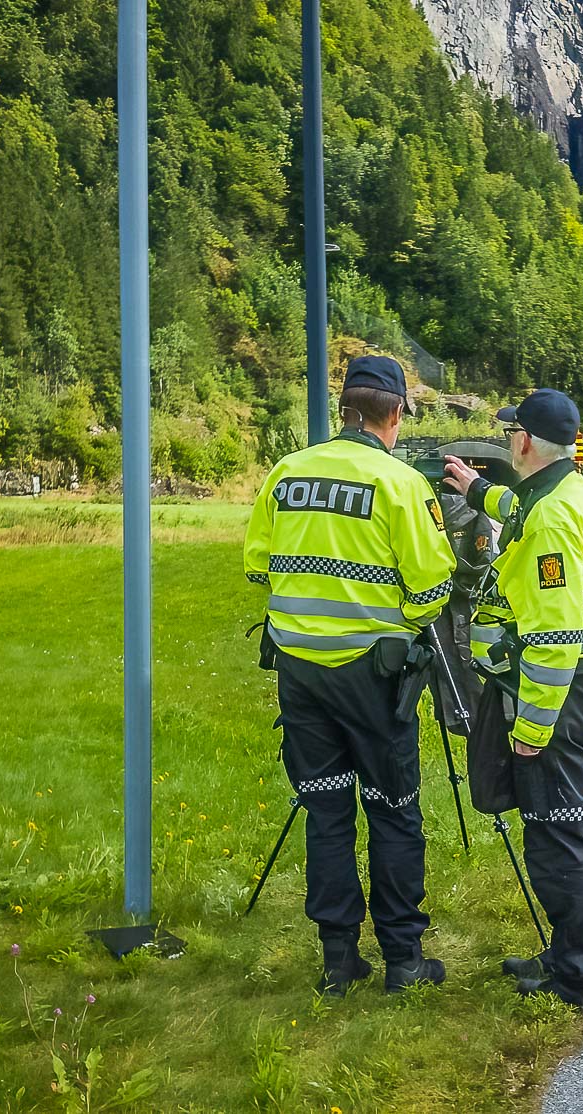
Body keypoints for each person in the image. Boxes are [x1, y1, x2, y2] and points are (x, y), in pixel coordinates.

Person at [243, 355, 458, 995]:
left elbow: (259, 566)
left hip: (300, 674)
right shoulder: (399, 485)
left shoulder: (286, 473)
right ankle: (402, 959)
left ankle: (338, 960)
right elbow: (431, 589)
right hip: (374, 680)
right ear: (392, 415)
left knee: (326, 812)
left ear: (345, 412)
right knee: (393, 812)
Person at [441, 388, 583, 1019]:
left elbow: (553, 636)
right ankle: (572, 952)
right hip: (582, 687)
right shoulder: (572, 491)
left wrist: (533, 729)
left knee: (558, 837)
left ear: (521, 442)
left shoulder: (547, 522)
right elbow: (515, 506)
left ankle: (580, 979)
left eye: (509, 434)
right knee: (576, 827)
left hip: (555, 696)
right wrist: (473, 489)